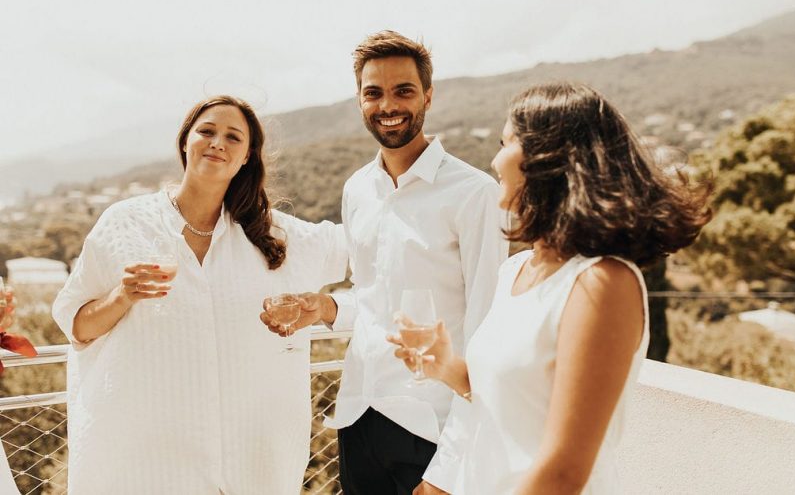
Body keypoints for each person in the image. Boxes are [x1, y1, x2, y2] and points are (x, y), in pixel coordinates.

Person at [391, 82, 713, 494]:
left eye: (506, 142)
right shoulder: (516, 269)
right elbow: (511, 403)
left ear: (549, 159)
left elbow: (564, 472)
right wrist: (448, 367)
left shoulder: (602, 283)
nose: (494, 160)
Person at [52, 95, 347, 495]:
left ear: (247, 157)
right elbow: (78, 326)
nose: (217, 142)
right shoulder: (125, 224)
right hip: (145, 461)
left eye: (233, 137)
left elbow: (366, 249)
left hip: (248, 461)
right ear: (184, 142)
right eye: (206, 131)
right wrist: (122, 296)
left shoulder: (276, 236)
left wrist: (332, 306)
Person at [264, 31, 508, 494]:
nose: (388, 105)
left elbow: (486, 334)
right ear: (359, 99)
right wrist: (325, 308)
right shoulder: (358, 189)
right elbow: (374, 300)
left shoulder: (475, 194)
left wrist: (450, 468)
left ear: (428, 96)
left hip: (432, 429)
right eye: (373, 92)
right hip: (359, 416)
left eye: (404, 90)